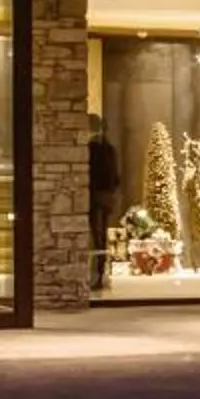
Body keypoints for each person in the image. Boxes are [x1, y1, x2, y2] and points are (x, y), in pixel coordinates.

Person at [87, 116, 121, 291]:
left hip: (95, 197)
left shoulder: (91, 148)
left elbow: (91, 174)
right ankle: (102, 274)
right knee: (101, 237)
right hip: (107, 196)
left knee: (96, 237)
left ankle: (98, 275)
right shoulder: (110, 149)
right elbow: (116, 176)